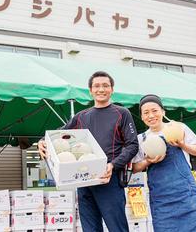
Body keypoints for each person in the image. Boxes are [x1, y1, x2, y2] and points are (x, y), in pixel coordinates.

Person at [38, 71, 139, 232]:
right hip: (83, 180)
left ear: (112, 89)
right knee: (90, 228)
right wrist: (43, 142)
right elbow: (57, 135)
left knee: (117, 227)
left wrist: (113, 165)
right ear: (90, 91)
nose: (101, 89)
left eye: (105, 86)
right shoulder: (81, 116)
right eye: (97, 86)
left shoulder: (122, 113)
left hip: (109, 178)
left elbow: (133, 145)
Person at [132, 94, 196, 232]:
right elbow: (135, 168)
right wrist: (147, 161)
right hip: (162, 202)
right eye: (146, 113)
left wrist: (182, 145)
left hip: (188, 197)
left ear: (163, 111)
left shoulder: (178, 128)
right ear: (142, 117)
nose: (151, 115)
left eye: (154, 111)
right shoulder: (141, 139)